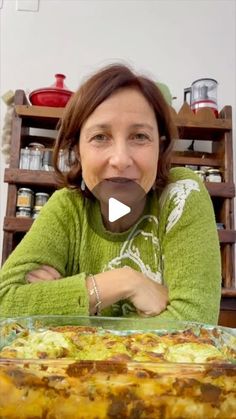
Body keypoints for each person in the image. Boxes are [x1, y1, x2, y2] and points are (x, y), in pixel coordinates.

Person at [0, 64, 221, 323]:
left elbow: (195, 325)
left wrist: (64, 305)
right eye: (100, 137)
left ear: (159, 149)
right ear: (77, 149)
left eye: (139, 136)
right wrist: (121, 283)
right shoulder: (66, 207)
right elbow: (6, 303)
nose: (120, 159)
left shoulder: (182, 195)